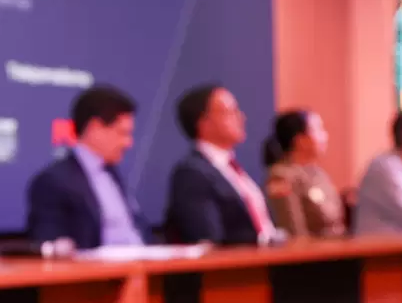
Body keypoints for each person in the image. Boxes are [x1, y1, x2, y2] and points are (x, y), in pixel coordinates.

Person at [27, 84, 144, 250]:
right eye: (122, 133)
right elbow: (51, 244)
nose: (128, 143)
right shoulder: (53, 181)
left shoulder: (113, 175)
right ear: (95, 128)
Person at [165, 83, 277, 245]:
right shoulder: (192, 173)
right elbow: (209, 238)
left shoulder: (233, 169)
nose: (241, 117)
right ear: (204, 123)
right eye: (231, 111)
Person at [262, 109, 347, 238]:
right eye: (318, 130)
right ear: (300, 140)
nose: (325, 136)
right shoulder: (281, 177)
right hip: (311, 250)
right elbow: (294, 232)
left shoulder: (319, 174)